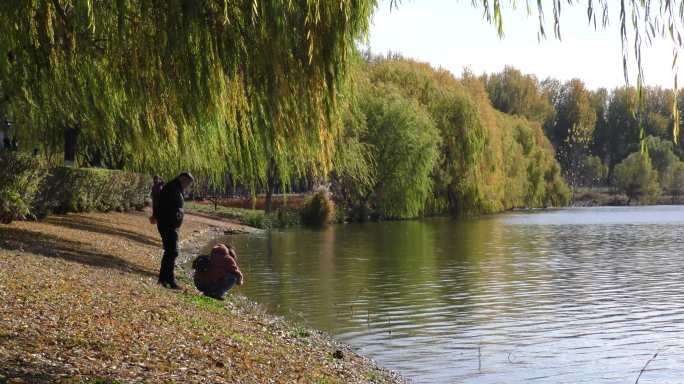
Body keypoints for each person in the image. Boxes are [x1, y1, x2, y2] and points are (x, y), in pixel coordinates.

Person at [155, 172, 194, 289]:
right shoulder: (172, 188)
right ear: (182, 178)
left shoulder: (175, 187)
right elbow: (164, 205)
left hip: (171, 225)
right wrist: (174, 217)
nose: (187, 185)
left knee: (171, 251)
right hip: (168, 225)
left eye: (189, 184)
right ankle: (169, 280)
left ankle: (163, 279)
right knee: (172, 251)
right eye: (187, 182)